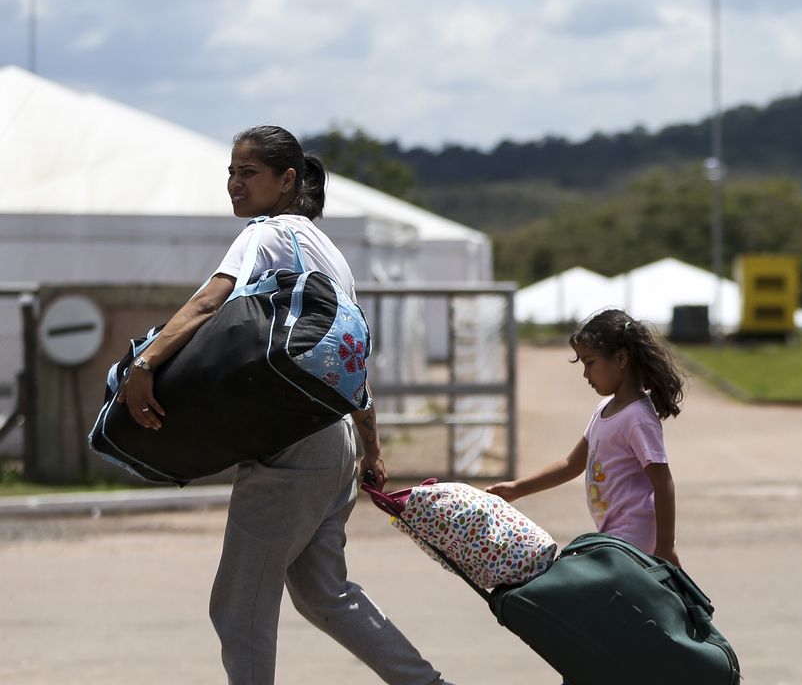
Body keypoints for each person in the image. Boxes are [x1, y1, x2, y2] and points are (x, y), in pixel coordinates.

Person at [117, 125, 451, 685]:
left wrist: (142, 365)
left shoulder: (265, 235)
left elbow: (206, 304)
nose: (234, 184)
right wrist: (370, 447)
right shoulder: (329, 253)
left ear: (287, 179)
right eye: (231, 171)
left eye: (248, 173)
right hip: (334, 438)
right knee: (326, 594)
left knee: (239, 603)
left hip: (293, 443)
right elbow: (349, 355)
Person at [488, 309, 683, 566]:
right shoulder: (604, 410)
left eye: (590, 363)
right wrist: (516, 488)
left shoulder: (638, 418)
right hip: (614, 536)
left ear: (621, 358)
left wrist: (665, 547)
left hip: (634, 538)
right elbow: (572, 464)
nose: (585, 374)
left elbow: (663, 482)